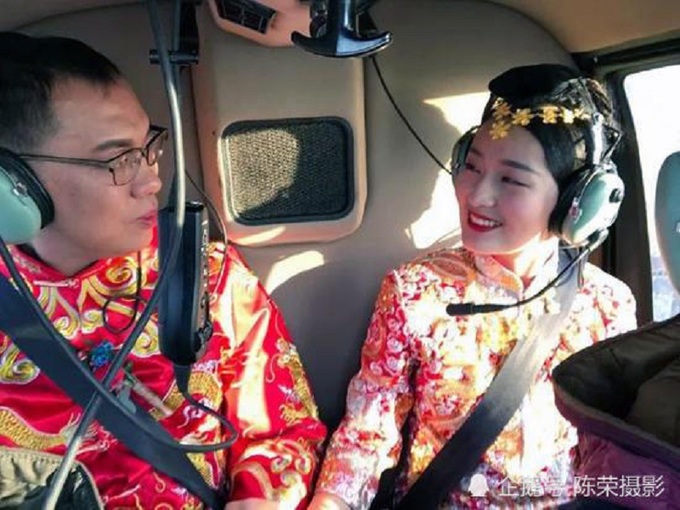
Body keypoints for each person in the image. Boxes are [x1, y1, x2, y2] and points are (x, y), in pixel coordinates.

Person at [0, 32, 326, 509]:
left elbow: (287, 431)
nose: (151, 179)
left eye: (147, 147)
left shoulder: (205, 276)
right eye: (118, 159)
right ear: (16, 184)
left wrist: (258, 497)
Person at [309, 64, 638, 509]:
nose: (477, 195)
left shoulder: (607, 305)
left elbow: (614, 449)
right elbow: (369, 433)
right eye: (472, 167)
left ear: (575, 201)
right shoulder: (415, 292)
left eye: (511, 179)